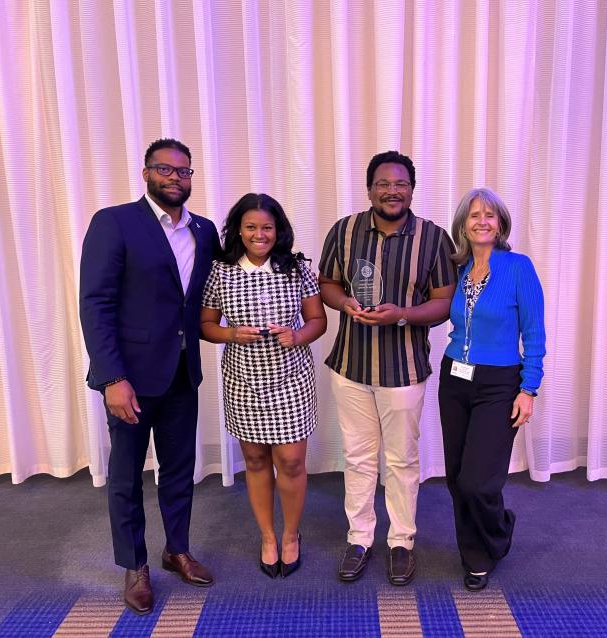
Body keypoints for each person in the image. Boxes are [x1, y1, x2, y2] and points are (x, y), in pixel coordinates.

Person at [79, 138, 220, 614]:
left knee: (180, 469)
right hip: (131, 379)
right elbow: (95, 304)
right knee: (126, 474)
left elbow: (206, 296)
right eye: (166, 170)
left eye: (184, 171)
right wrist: (111, 377)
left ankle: (176, 549)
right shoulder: (114, 222)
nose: (176, 178)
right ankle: (134, 564)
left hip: (183, 372)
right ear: (146, 173)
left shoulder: (204, 230)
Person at [318, 151, 457, 586]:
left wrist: (402, 314)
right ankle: (359, 538)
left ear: (411, 189)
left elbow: (443, 302)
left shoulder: (433, 238)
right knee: (358, 458)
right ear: (369, 188)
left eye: (400, 183)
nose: (391, 190)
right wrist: (345, 304)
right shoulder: (343, 231)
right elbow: (327, 283)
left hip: (403, 369)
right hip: (351, 366)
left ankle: (401, 542)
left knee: (400, 460)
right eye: (382, 183)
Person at [200, 193, 326, 578]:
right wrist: (231, 334)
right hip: (243, 381)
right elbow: (205, 325)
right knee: (255, 460)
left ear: (278, 230)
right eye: (251, 227)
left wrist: (299, 335)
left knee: (290, 461)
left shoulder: (298, 268)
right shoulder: (218, 271)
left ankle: (291, 535)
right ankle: (267, 536)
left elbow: (318, 320)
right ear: (238, 229)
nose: (259, 234)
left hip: (290, 379)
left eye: (267, 227)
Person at [438, 187, 545, 591]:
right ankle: (475, 556)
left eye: (490, 215)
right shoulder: (458, 268)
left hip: (500, 383)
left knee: (478, 482)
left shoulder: (518, 267)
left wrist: (528, 389)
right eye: (473, 215)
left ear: (500, 224)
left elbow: (534, 332)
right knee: (456, 477)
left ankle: (498, 530)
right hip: (455, 378)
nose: (482, 221)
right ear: (462, 225)